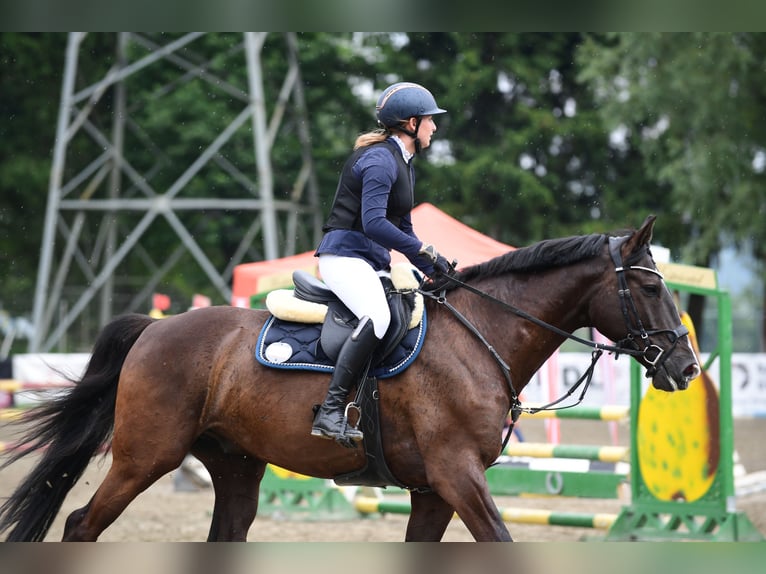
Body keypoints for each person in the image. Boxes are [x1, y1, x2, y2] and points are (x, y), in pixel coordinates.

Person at [311, 81, 452, 445]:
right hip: (343, 257)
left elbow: (403, 227)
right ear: (410, 123)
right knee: (380, 316)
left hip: (370, 262)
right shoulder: (378, 160)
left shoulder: (404, 164)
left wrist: (433, 269)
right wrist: (423, 253)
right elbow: (374, 223)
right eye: (430, 121)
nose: (434, 127)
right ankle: (329, 409)